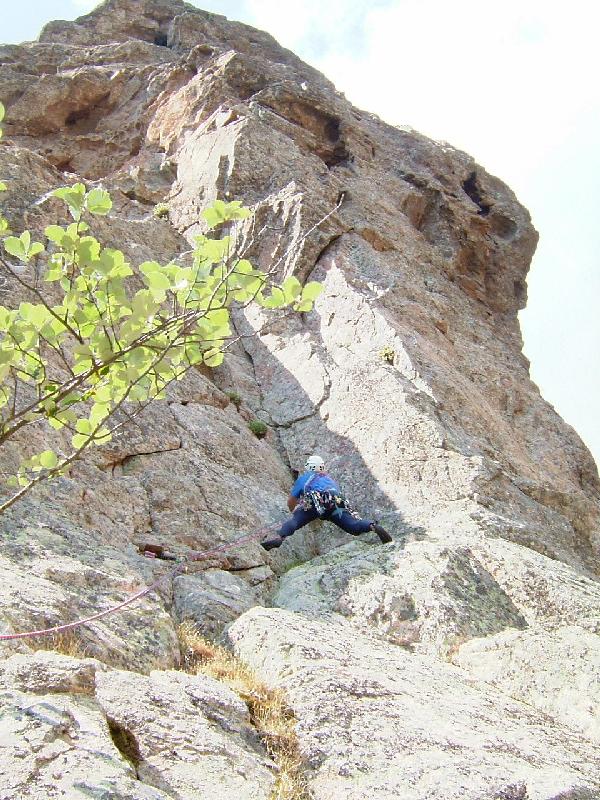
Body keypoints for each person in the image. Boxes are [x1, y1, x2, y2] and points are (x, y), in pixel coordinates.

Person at [261, 454, 392, 550]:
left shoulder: (305, 478)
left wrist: (294, 510)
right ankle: (372, 526)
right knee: (352, 525)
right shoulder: (329, 480)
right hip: (336, 502)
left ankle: (279, 537)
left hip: (316, 502)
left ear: (308, 467)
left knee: (296, 520)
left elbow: (291, 501)